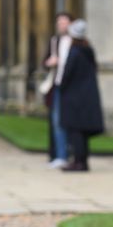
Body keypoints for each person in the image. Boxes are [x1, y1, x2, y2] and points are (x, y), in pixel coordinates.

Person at [59, 19, 104, 171]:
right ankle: (83, 161)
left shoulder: (75, 52)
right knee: (82, 132)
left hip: (74, 97)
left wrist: (62, 88)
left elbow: (67, 74)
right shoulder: (88, 50)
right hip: (88, 97)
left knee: (75, 130)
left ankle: (78, 162)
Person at [42, 12, 73, 168]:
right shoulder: (54, 41)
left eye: (64, 22)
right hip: (57, 86)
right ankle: (60, 155)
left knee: (70, 122)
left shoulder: (76, 42)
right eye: (59, 23)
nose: (62, 25)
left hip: (72, 87)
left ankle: (69, 154)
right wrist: (50, 62)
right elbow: (44, 62)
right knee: (57, 122)